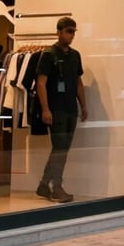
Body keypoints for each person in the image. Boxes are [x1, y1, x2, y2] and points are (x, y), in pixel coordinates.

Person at [35, 17, 88, 203]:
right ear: (59, 31)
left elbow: (79, 82)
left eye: (74, 31)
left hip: (70, 109)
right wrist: (45, 109)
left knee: (62, 148)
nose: (71, 35)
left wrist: (83, 105)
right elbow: (41, 83)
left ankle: (44, 184)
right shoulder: (48, 55)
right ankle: (56, 186)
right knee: (60, 148)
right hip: (56, 109)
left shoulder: (75, 56)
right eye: (68, 31)